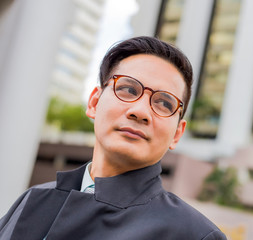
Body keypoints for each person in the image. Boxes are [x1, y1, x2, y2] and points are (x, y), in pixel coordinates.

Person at [0, 36, 227, 240]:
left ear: (177, 133)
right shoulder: (33, 199)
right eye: (128, 89)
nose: (140, 111)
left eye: (164, 103)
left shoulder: (194, 235)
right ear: (94, 103)